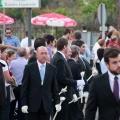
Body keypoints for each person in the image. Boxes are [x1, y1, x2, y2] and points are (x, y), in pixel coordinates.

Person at [21, 46, 61, 120]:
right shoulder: (29, 68)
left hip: (46, 105)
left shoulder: (52, 68)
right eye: (42, 53)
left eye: (46, 53)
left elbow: (55, 87)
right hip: (32, 105)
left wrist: (57, 102)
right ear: (37, 55)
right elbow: (24, 88)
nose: (44, 55)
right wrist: (24, 104)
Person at [51, 37, 85, 120]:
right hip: (62, 95)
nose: (70, 48)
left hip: (64, 94)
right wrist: (76, 83)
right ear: (65, 47)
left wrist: (73, 92)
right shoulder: (59, 59)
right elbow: (62, 78)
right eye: (69, 46)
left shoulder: (59, 57)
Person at [85, 47, 120, 120]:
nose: (119, 65)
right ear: (106, 64)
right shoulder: (97, 82)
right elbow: (90, 109)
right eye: (114, 62)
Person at [9, 47, 28, 120]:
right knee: (21, 107)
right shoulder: (27, 63)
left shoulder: (13, 62)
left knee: (11, 107)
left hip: (13, 86)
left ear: (17, 54)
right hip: (23, 87)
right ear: (26, 54)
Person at [67, 45, 84, 120]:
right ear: (77, 55)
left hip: (67, 92)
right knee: (77, 114)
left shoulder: (65, 63)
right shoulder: (77, 66)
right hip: (76, 92)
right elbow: (81, 79)